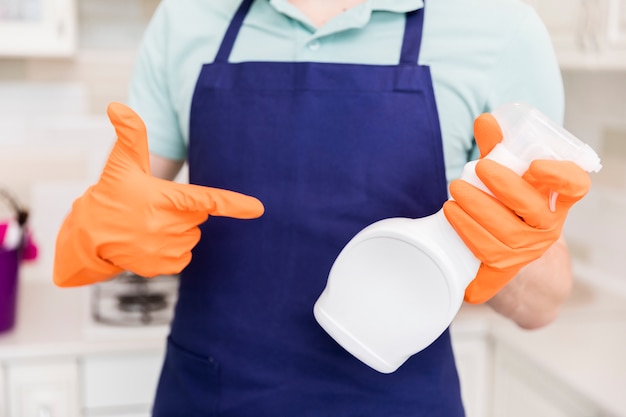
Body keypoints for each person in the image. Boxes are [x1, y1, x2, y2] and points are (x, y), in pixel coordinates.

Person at [53, 0, 591, 415]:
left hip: (399, 400)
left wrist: (513, 261)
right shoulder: (188, 16)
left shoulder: (500, 28)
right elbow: (117, 207)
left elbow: (542, 305)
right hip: (209, 392)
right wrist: (98, 232)